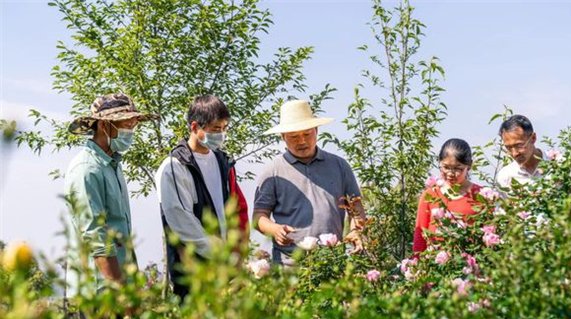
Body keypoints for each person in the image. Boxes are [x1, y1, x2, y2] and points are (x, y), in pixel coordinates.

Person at [155, 95, 248, 299]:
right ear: (195, 127)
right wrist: (221, 254)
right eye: (216, 129)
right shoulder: (174, 168)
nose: (221, 134)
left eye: (225, 128)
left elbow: (235, 209)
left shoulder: (222, 162)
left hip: (224, 269)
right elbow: (182, 223)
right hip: (192, 273)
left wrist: (236, 252)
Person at [64, 93, 157, 295]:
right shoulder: (87, 169)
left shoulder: (112, 164)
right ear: (105, 126)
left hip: (118, 284)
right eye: (126, 126)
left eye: (133, 126)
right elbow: (96, 238)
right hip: (98, 291)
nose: (130, 132)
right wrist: (121, 292)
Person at [253, 99, 366, 265]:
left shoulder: (339, 166)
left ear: (317, 131)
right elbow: (258, 217)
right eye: (294, 136)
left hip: (333, 261)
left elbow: (356, 208)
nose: (302, 141)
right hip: (289, 265)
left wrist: (357, 231)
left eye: (307, 134)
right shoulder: (273, 171)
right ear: (283, 137)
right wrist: (275, 230)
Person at [413, 139, 483, 253]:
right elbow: (420, 237)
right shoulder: (431, 195)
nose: (450, 173)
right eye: (446, 167)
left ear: (469, 166)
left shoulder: (480, 195)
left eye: (457, 168)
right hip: (435, 264)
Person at [496, 114, 546, 189]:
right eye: (508, 148)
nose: (514, 153)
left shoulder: (559, 165)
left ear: (533, 138)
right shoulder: (505, 177)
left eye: (519, 146)